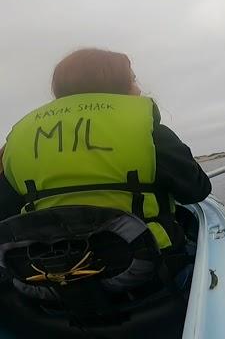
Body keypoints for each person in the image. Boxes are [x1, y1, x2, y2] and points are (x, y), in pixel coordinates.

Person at [0, 48, 211, 252]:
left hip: (49, 272)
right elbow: (196, 190)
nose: (138, 89)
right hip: (148, 270)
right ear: (117, 85)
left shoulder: (14, 144)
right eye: (133, 79)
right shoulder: (146, 129)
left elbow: (6, 214)